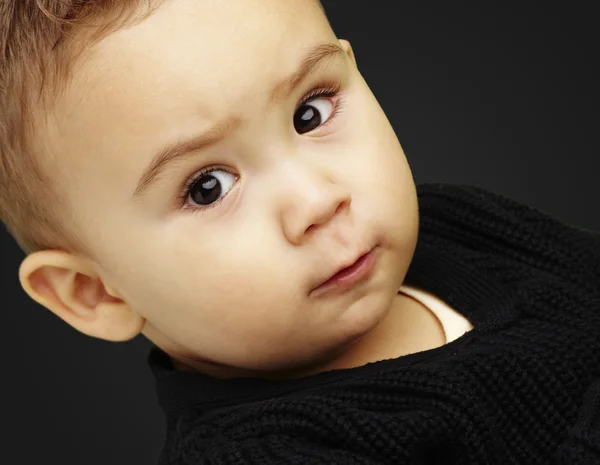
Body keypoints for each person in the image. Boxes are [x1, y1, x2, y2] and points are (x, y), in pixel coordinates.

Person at [1, 1, 599, 463]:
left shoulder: (457, 226)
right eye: (207, 186)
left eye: (310, 110)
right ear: (97, 292)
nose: (318, 200)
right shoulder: (268, 453)